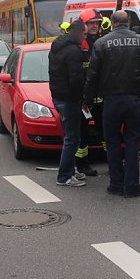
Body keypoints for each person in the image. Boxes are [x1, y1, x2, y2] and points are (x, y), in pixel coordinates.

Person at [84, 10, 140, 198]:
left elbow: (92, 75)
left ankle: (115, 183)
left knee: (112, 141)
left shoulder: (101, 43)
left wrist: (87, 99)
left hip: (111, 100)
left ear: (112, 22)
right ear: (128, 22)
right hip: (133, 99)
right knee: (131, 141)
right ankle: (131, 186)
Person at [48, 19, 88, 187]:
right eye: (84, 33)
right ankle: (64, 176)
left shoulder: (57, 46)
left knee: (70, 136)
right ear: (78, 32)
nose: (85, 37)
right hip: (70, 99)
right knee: (72, 138)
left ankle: (70, 170)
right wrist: (83, 98)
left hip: (58, 96)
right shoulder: (73, 51)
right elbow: (76, 80)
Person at [75, 8, 104, 176]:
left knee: (106, 132)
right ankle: (82, 164)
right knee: (82, 133)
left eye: (97, 23)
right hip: (84, 98)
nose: (95, 26)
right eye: (91, 23)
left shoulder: (101, 42)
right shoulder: (78, 45)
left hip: (101, 96)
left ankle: (112, 160)